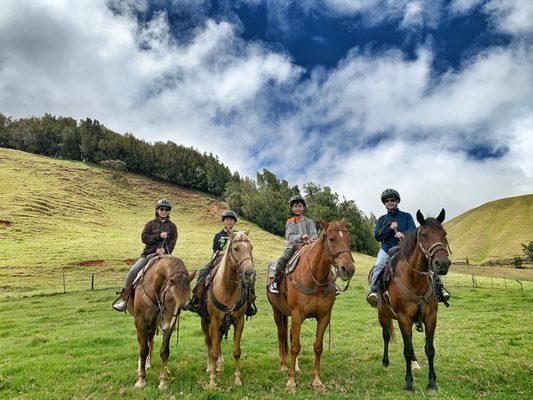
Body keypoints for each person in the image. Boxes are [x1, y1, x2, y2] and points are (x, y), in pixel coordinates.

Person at [366, 189, 450, 308]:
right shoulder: (382, 219)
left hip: (404, 248)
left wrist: (403, 234)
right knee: (379, 264)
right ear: (384, 203)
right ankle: (374, 290)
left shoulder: (406, 216)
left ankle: (439, 288)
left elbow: (412, 230)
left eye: (392, 200)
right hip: (387, 248)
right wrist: (390, 228)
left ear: (397, 201)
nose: (390, 202)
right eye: (387, 201)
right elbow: (377, 236)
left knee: (426, 262)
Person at [112, 199, 178, 312]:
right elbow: (144, 238)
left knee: (178, 273)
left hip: (165, 256)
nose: (164, 211)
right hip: (148, 254)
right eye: (161, 209)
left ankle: (180, 299)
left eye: (167, 210)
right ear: (157, 210)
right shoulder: (150, 224)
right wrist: (158, 236)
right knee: (133, 271)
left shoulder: (172, 226)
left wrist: (166, 251)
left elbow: (173, 241)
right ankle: (124, 299)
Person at [184, 209, 237, 312]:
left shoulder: (237, 235)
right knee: (203, 273)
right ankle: (196, 299)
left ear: (234, 222)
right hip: (219, 259)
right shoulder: (218, 235)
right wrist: (227, 253)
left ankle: (249, 302)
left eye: (231, 220)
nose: (229, 222)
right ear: (223, 221)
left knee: (247, 275)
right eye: (227, 220)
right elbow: (216, 250)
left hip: (233, 261)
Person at [268, 195, 318, 294]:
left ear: (303, 207)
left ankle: (331, 285)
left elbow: (314, 235)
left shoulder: (309, 222)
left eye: (299, 206)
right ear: (292, 208)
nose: (297, 208)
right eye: (295, 206)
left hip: (308, 247)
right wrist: (300, 237)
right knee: (283, 259)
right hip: (293, 247)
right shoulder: (290, 222)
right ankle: (275, 282)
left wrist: (311, 240)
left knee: (323, 259)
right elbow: (289, 237)